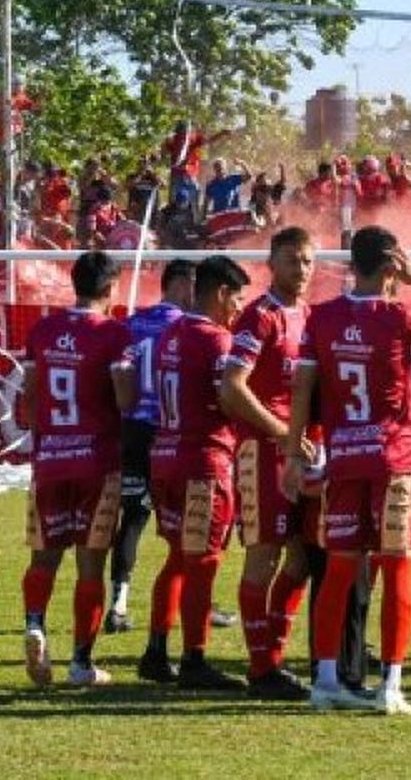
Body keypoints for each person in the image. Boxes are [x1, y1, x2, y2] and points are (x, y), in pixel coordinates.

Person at [285, 225, 411, 714]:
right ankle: (391, 684)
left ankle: (325, 680)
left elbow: (302, 388)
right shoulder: (400, 315)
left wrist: (291, 452)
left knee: (341, 567)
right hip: (394, 458)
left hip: (344, 459)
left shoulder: (319, 318)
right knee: (397, 565)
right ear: (391, 266)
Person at [18, 251, 135, 688]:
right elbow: (124, 400)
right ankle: (81, 663)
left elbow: (29, 394)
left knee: (44, 556)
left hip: (49, 459)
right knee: (91, 565)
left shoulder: (43, 330)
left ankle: (35, 625)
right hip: (96, 463)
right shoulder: (114, 334)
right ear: (110, 288)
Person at [137, 255, 251, 690]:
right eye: (236, 298)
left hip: (163, 455)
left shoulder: (170, 333)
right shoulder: (217, 340)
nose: (238, 308)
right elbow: (230, 398)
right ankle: (194, 659)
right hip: (203, 461)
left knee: (178, 559)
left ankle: (155, 650)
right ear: (220, 293)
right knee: (203, 561)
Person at [219, 226, 316, 700]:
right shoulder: (259, 318)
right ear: (271, 265)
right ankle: (261, 669)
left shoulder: (311, 317)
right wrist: (283, 433)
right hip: (264, 453)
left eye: (307, 261)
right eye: (292, 261)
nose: (301, 270)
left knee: (301, 556)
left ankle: (274, 656)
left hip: (302, 456)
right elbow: (232, 387)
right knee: (265, 554)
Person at [108, 259, 195, 635]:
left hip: (133, 430)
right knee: (190, 520)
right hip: (170, 433)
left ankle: (118, 604)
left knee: (133, 516)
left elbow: (119, 371)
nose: (199, 293)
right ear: (178, 284)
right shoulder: (186, 327)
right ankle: (194, 599)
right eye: (194, 284)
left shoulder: (131, 324)